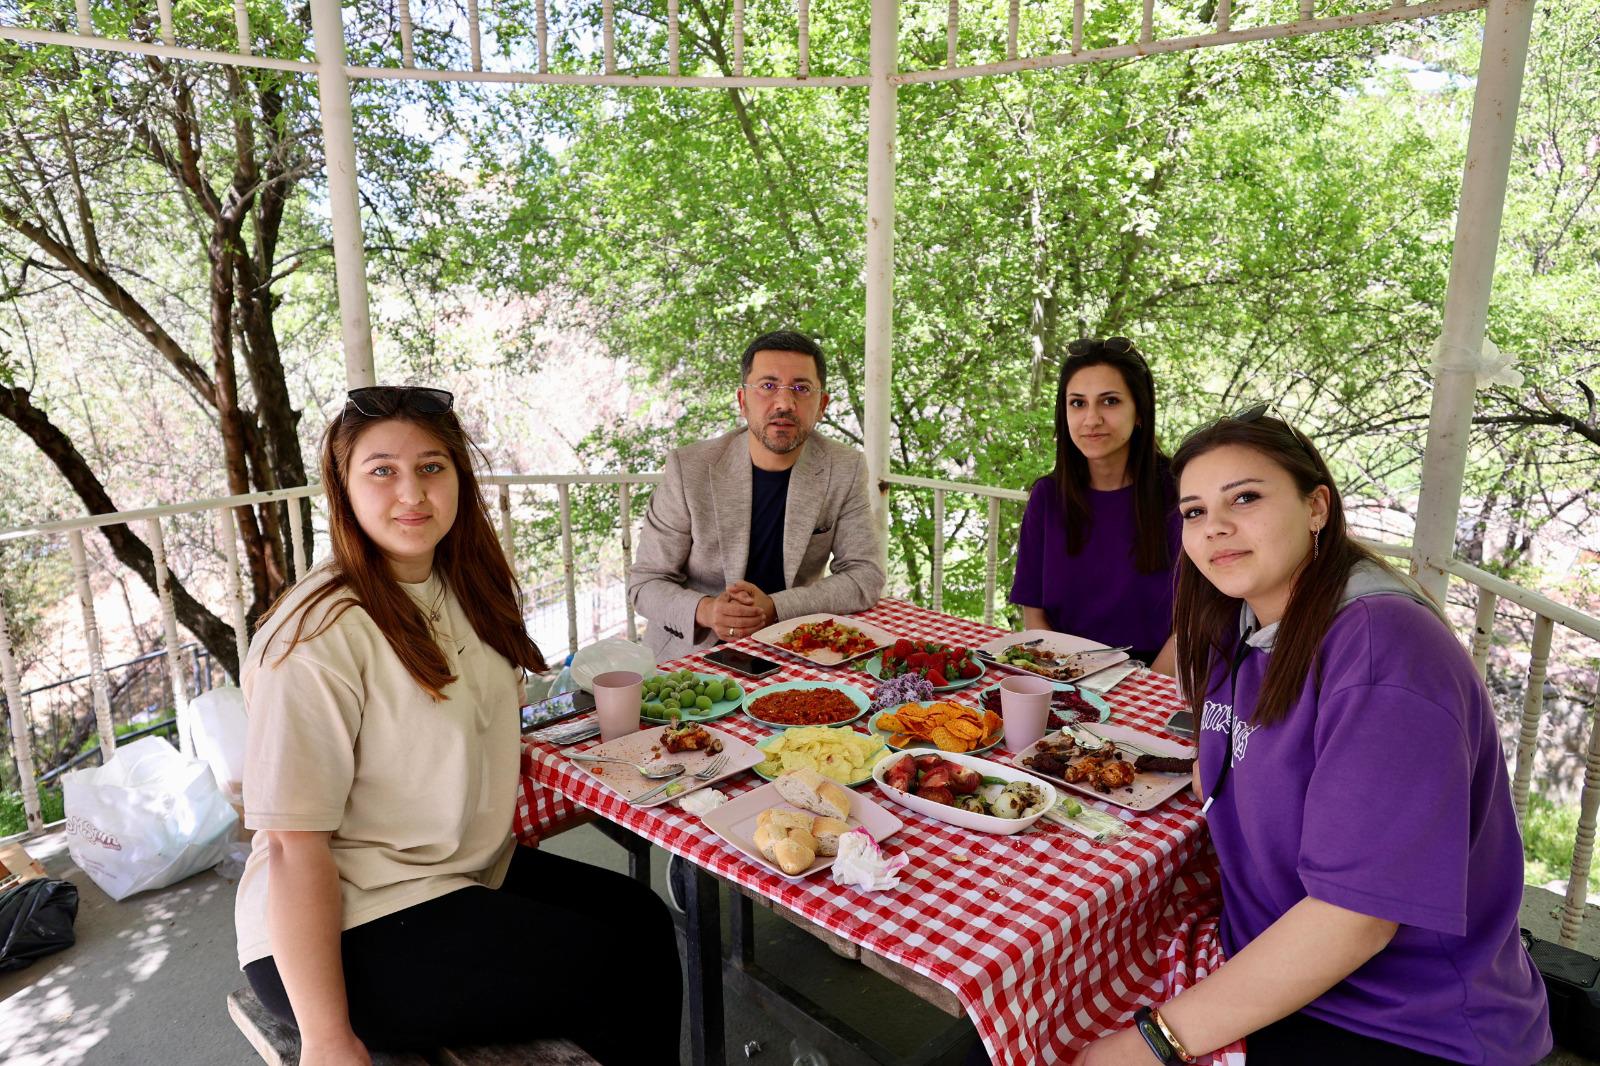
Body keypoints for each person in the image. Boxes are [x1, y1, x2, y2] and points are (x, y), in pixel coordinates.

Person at [1074, 407, 1551, 1065]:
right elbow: (1226, 765)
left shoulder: (1385, 650)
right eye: (1193, 511)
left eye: (1245, 497)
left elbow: (1353, 921)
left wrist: (1155, 1042)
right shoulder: (1238, 621)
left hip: (1400, 1018)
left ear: (1316, 506)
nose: (1215, 526)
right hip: (1259, 956)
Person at [234, 386, 681, 1065]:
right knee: (612, 967)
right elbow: (293, 848)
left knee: (640, 918)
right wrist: (327, 1038)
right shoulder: (315, 636)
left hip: (453, 871)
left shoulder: (457, 584)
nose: (411, 492)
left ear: (459, 477)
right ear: (343, 487)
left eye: (431, 467)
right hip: (342, 925)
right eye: (382, 470)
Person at [629, 330, 886, 662]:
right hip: (693, 653)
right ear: (742, 401)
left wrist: (776, 606)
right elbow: (646, 583)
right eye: (767, 386)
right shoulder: (689, 469)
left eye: (801, 389)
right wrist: (708, 610)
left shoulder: (844, 467)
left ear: (822, 405)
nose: (784, 403)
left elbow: (865, 575)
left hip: (797, 648)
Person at [1009, 337, 1179, 672]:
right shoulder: (1047, 497)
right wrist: (1064, 676)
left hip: (1155, 675)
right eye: (1077, 403)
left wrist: (1143, 687)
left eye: (1110, 401)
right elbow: (1034, 613)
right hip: (1063, 669)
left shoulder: (1181, 493)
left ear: (1140, 411)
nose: (1091, 419)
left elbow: (1196, 620)